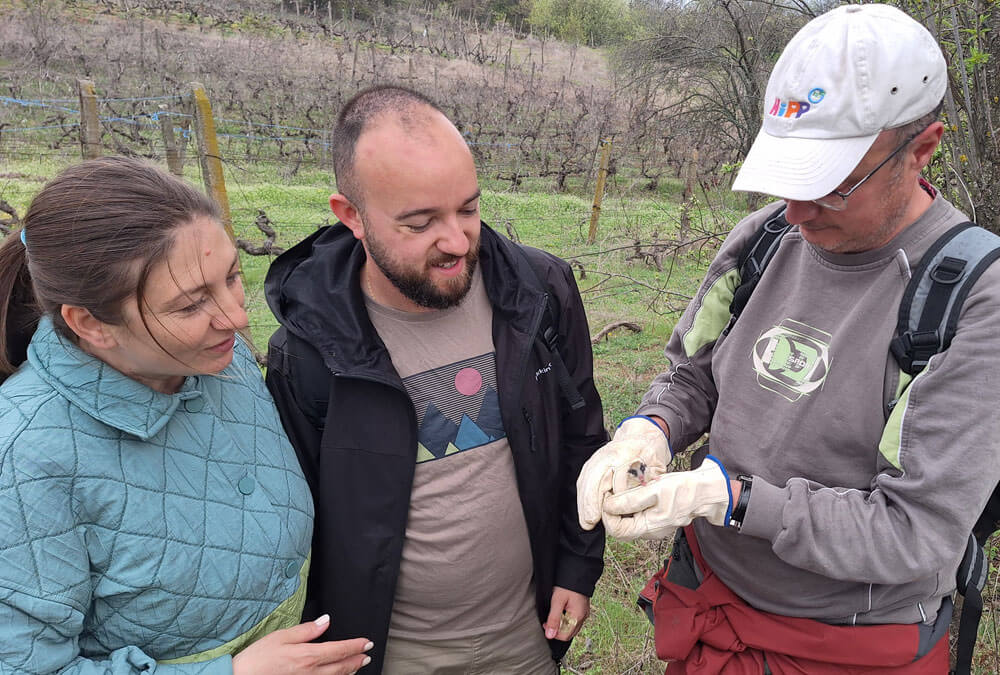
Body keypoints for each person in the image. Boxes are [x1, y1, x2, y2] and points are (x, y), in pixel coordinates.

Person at [577, 4, 1000, 674]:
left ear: (922, 149)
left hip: (847, 642)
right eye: (790, 178)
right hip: (712, 600)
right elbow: (693, 372)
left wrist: (732, 499)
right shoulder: (764, 238)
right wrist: (650, 428)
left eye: (832, 187)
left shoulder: (974, 297)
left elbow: (913, 532)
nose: (797, 212)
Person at [264, 85, 607, 674]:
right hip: (390, 653)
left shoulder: (539, 293)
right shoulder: (308, 352)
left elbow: (581, 438)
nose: (456, 241)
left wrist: (577, 568)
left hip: (525, 638)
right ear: (352, 216)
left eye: (468, 209)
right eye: (420, 223)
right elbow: (301, 521)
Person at [0, 157, 373, 674]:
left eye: (232, 276)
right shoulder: (25, 456)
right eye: (190, 305)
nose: (236, 318)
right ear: (90, 324)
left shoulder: (218, 360)